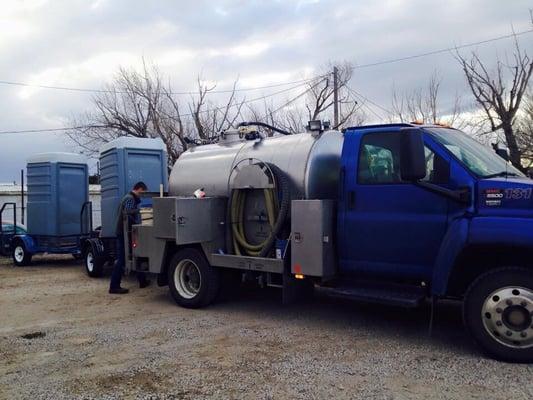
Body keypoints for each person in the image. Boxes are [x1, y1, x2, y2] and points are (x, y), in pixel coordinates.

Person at [109, 181, 151, 294]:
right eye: (142, 193)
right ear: (138, 189)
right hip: (124, 233)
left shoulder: (129, 198)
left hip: (126, 233)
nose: (142, 195)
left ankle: (142, 281)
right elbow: (128, 214)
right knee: (122, 259)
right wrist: (141, 213)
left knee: (136, 254)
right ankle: (114, 286)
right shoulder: (130, 199)